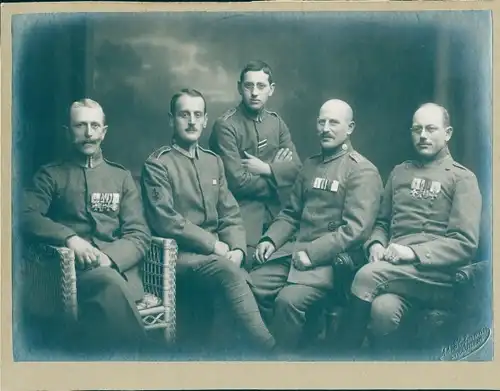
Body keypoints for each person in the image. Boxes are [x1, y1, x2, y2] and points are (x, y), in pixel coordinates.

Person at [335, 103, 482, 357]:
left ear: (447, 133)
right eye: (417, 129)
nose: (423, 135)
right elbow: (381, 222)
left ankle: (338, 362)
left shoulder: (462, 178)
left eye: (431, 129)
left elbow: (464, 243)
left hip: (436, 275)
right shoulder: (399, 172)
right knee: (383, 310)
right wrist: (376, 245)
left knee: (366, 277)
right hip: (394, 269)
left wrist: (412, 253)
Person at [140, 88, 275, 353]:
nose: (191, 121)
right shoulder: (158, 164)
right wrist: (216, 246)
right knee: (229, 273)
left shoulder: (214, 162)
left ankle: (223, 361)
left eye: (197, 115)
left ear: (204, 120)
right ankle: (270, 350)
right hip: (177, 257)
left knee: (239, 277)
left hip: (218, 257)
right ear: (171, 120)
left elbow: (230, 213)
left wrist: (236, 248)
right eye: (184, 115)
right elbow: (166, 220)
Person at [248, 99, 383, 352]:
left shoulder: (362, 170)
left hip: (330, 263)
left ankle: (282, 365)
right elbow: (291, 214)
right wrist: (270, 240)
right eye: (322, 121)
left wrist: (311, 254)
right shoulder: (309, 165)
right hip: (293, 255)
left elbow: (356, 230)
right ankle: (282, 346)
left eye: (334, 122)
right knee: (249, 286)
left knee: (288, 302)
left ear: (350, 127)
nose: (325, 128)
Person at [21, 98, 151, 355]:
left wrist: (110, 259)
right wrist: (70, 238)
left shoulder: (120, 177)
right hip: (69, 275)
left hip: (116, 272)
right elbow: (24, 215)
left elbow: (139, 234)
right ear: (68, 132)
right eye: (80, 126)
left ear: (104, 131)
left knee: (107, 287)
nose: (88, 133)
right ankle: (145, 362)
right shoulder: (51, 175)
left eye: (94, 126)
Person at [209, 60, 301, 269]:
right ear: (240, 87)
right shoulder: (226, 125)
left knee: (289, 265)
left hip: (278, 217)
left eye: (261, 86)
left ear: (271, 89)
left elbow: (297, 170)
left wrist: (266, 169)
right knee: (250, 272)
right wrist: (278, 174)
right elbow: (238, 183)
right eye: (249, 85)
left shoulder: (276, 123)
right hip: (241, 219)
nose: (254, 92)